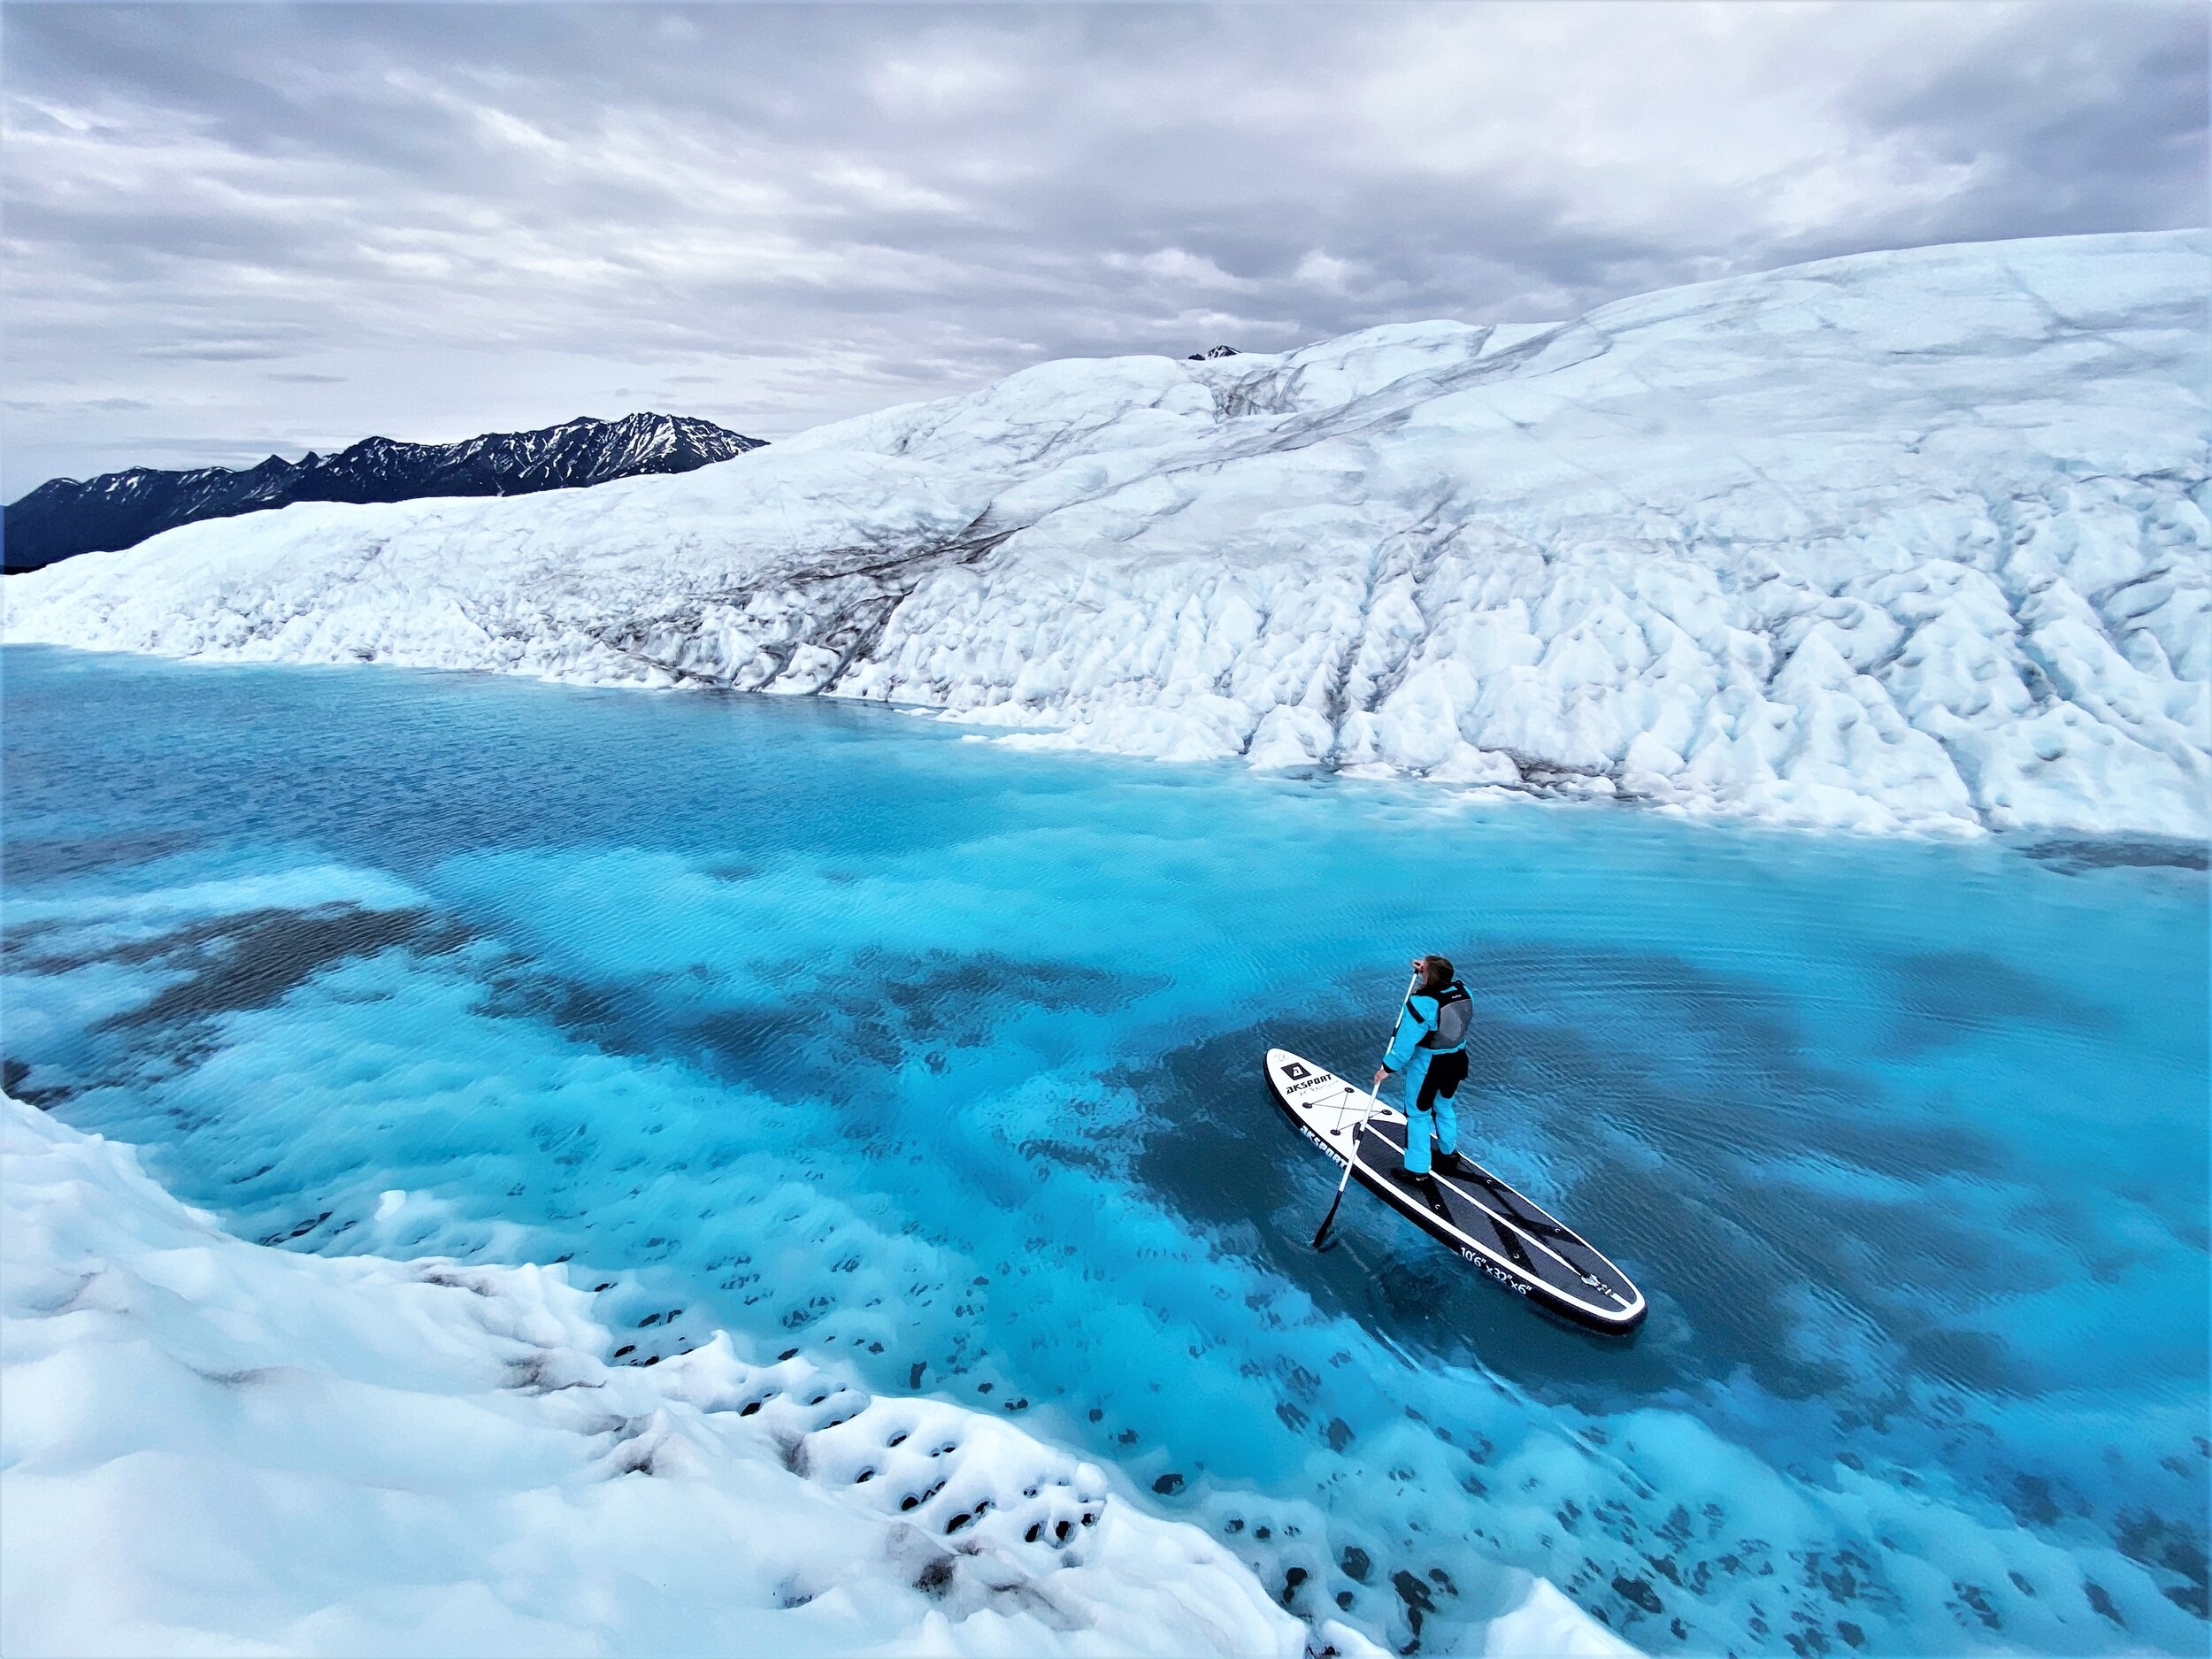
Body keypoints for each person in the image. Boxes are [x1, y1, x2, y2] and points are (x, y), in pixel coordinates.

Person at [1371, 954, 1473, 1186]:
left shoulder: (1420, 1005)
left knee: (1418, 1115)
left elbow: (1405, 1044)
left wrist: (1387, 1068)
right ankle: (1448, 1155)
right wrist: (1428, 971)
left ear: (1428, 975)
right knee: (1444, 1106)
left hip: (1429, 1067)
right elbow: (1441, 985)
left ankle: (1417, 1171)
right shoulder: (1466, 992)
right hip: (1458, 1061)